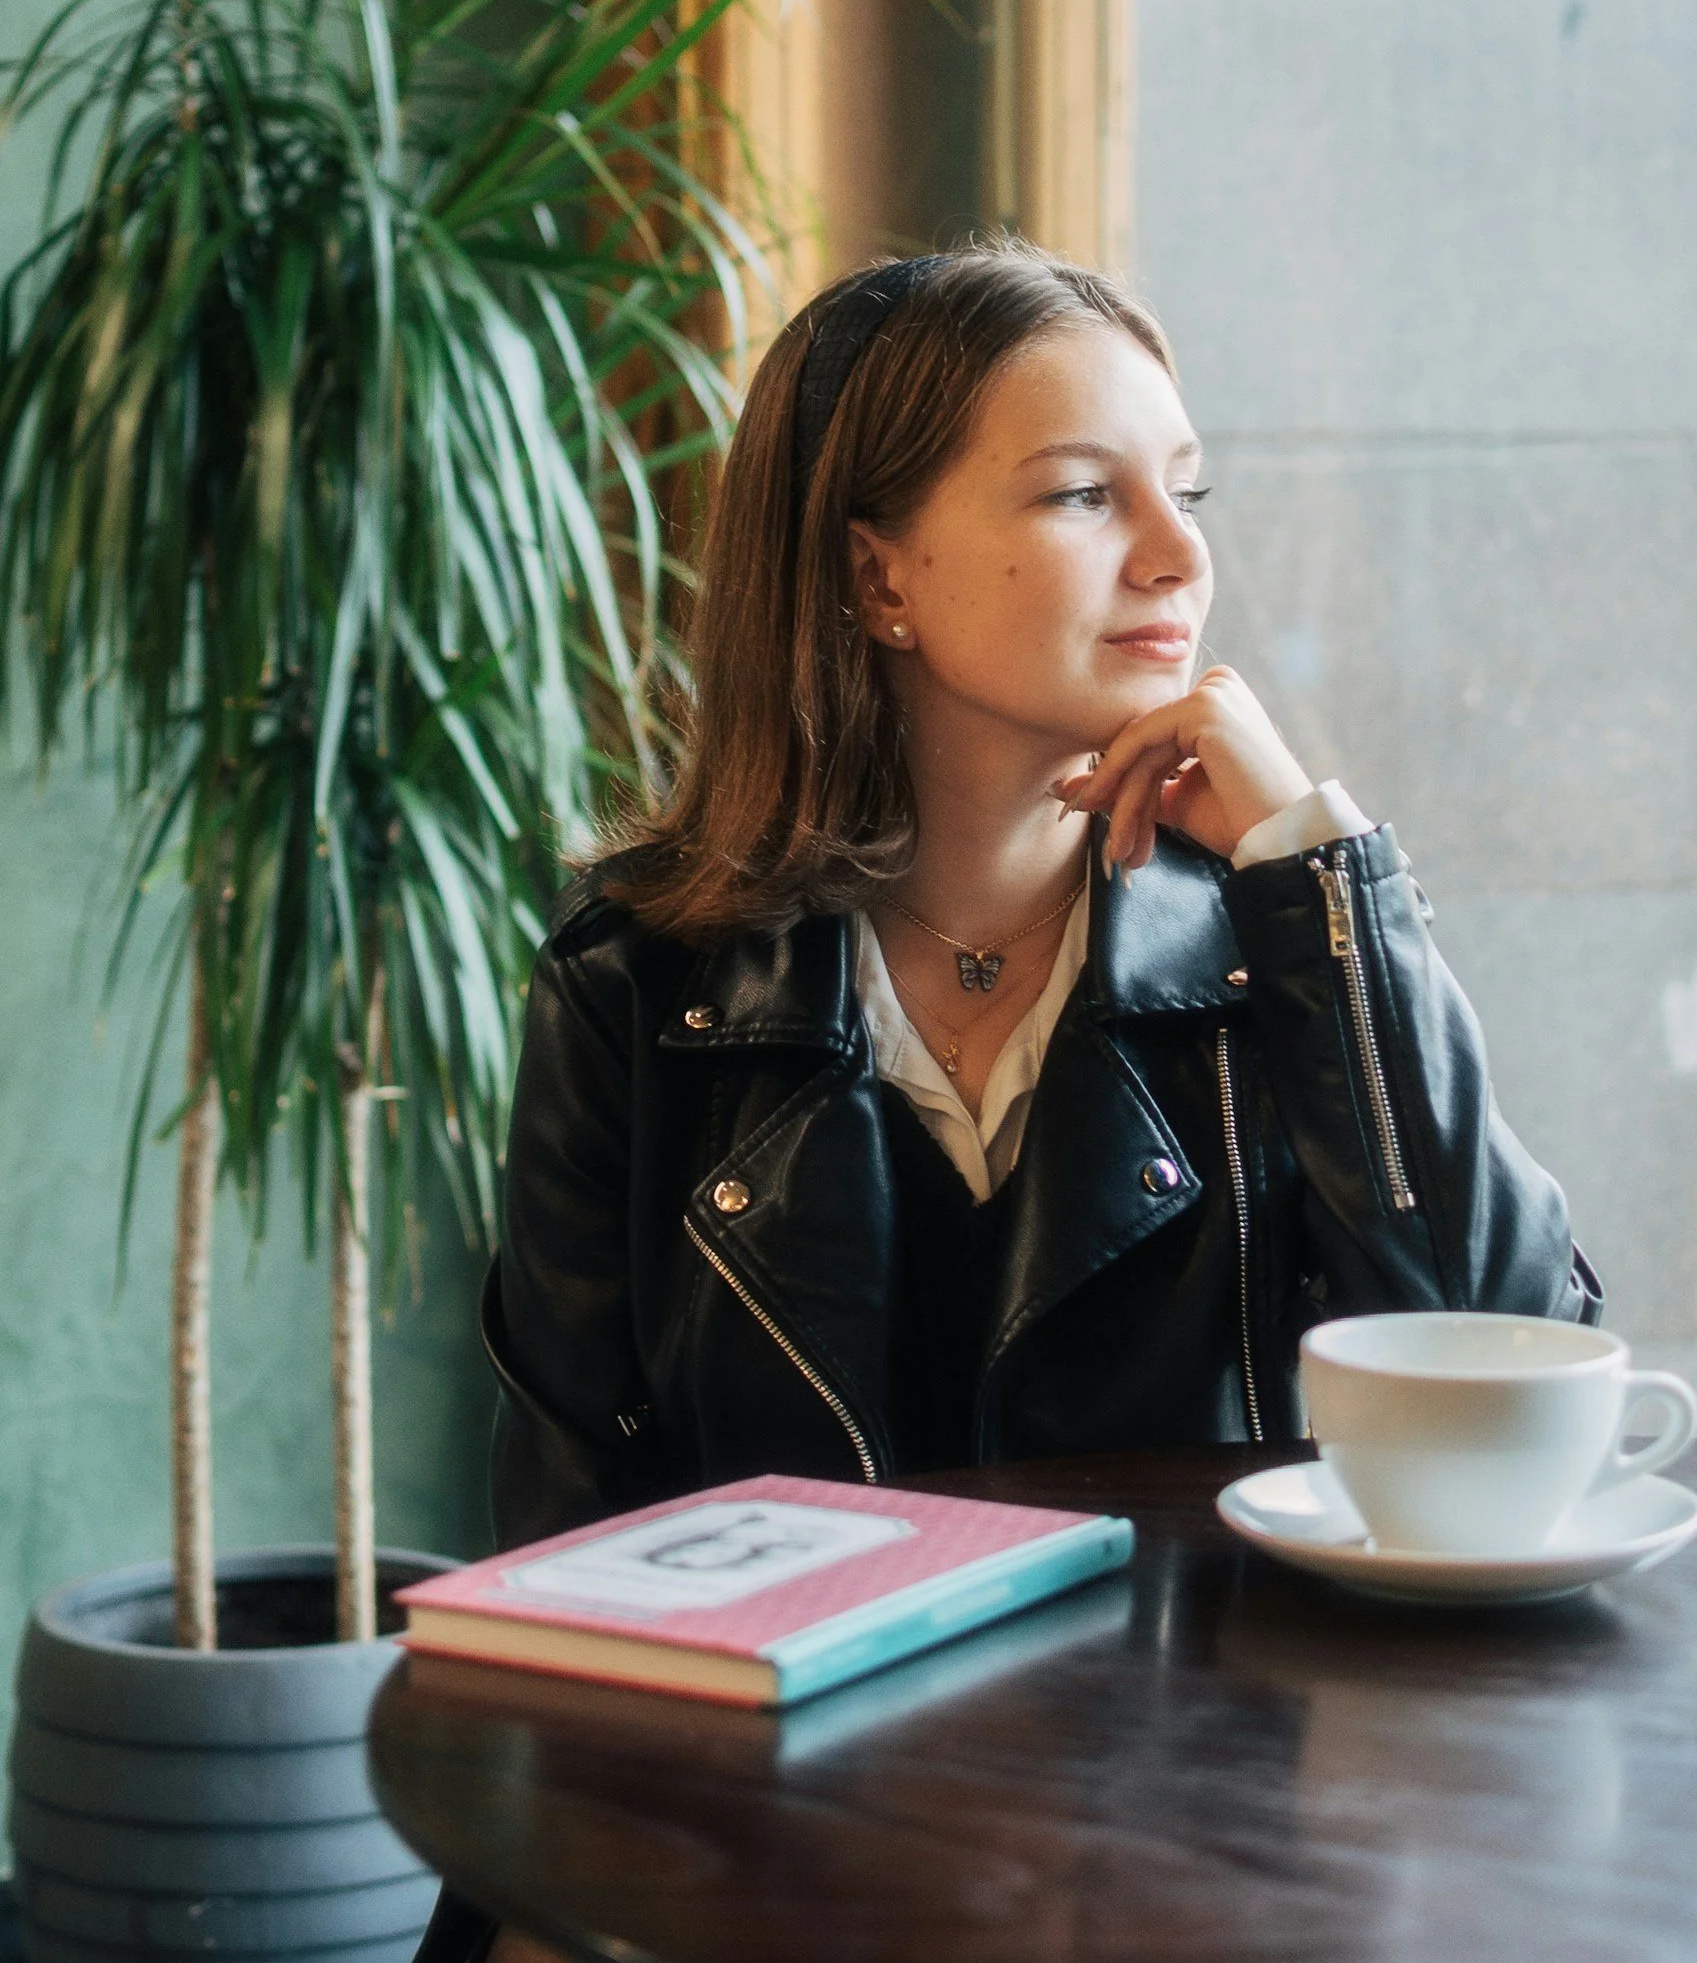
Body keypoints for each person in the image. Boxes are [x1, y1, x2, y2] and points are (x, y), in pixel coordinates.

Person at [483, 239, 1600, 1550]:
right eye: (1084, 495)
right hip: (779, 1751)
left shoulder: (1281, 944)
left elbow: (1509, 1378)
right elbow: (565, 1546)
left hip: (1194, 1744)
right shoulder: (637, 985)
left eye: (1190, 491)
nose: (1180, 555)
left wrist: (1319, 875)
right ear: (878, 578)